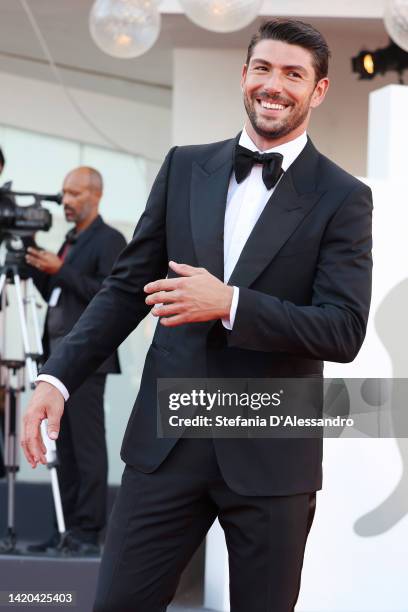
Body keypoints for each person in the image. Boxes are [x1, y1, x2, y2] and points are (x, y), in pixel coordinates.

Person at [22, 19, 373, 611]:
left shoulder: (343, 196)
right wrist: (57, 377)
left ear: (318, 91)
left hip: (271, 450)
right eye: (263, 68)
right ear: (244, 76)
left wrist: (232, 304)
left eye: (294, 74)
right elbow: (125, 287)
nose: (274, 85)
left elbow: (343, 329)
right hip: (166, 443)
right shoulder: (186, 165)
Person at [25, 166, 126, 554]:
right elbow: (56, 291)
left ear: (95, 195)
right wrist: (36, 263)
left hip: (87, 362)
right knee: (62, 450)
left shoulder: (109, 239)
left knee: (86, 448)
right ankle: (64, 528)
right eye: (64, 193)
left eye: (74, 193)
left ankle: (87, 532)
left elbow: (111, 295)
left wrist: (61, 269)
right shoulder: (70, 239)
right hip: (59, 361)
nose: (66, 201)